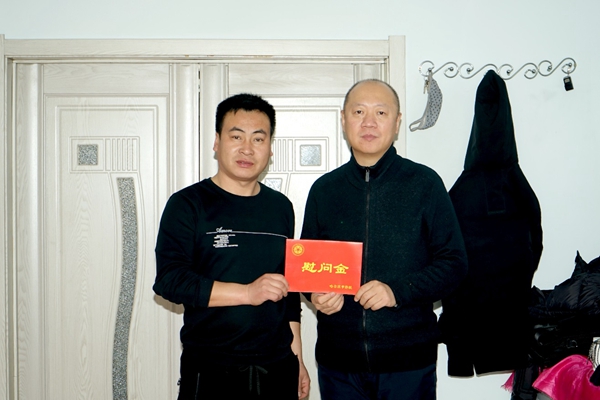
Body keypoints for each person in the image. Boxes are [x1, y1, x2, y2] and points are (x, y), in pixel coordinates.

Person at [300, 79, 468, 400]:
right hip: (338, 363)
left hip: (408, 362)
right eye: (358, 112)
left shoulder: (424, 183)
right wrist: (315, 295)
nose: (369, 122)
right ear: (343, 119)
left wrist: (396, 292)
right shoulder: (324, 190)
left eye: (380, 112)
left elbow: (454, 264)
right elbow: (308, 268)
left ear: (397, 122)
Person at [153, 93, 310, 400]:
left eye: (258, 139)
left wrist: (298, 359)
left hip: (278, 366)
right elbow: (170, 281)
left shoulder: (281, 207)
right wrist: (247, 293)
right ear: (217, 141)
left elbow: (288, 291)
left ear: (270, 148)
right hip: (211, 368)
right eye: (236, 136)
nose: (247, 149)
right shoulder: (188, 204)